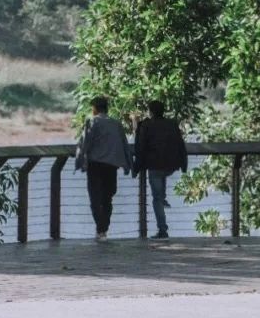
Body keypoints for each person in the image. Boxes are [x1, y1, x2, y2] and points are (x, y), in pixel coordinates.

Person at [75, 96, 132, 241]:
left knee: (95, 198)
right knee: (107, 198)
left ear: (94, 109)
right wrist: (127, 164)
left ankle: (100, 229)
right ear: (107, 108)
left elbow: (85, 143)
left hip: (95, 166)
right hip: (111, 166)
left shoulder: (92, 122)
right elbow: (124, 144)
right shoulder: (116, 124)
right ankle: (103, 229)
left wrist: (79, 161)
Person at [133, 100, 188, 239]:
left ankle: (162, 229)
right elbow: (180, 144)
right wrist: (184, 164)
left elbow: (140, 147)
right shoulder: (171, 124)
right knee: (161, 181)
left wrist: (136, 168)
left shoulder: (146, 125)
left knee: (156, 198)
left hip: (154, 166)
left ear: (150, 111)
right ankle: (163, 198)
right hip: (170, 165)